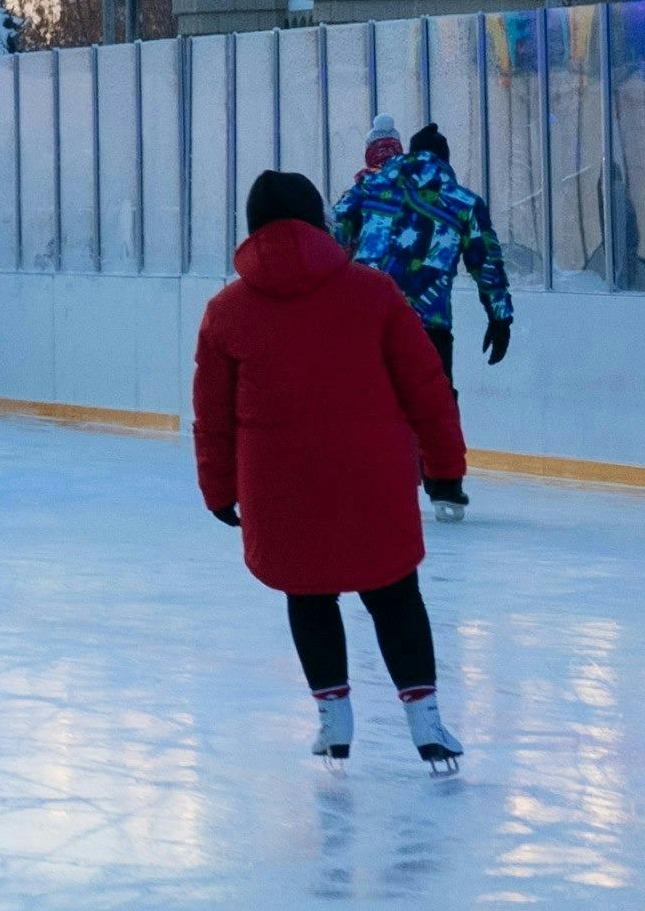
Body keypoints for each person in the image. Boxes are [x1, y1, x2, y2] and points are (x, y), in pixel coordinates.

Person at [194, 165, 466, 760]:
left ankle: (334, 722)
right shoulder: (375, 293)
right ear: (320, 219)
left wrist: (218, 488)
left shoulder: (227, 311)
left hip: (279, 487)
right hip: (373, 479)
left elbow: (211, 415)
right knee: (395, 594)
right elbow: (427, 389)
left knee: (308, 593)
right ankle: (426, 723)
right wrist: (446, 467)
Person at [337, 120, 517, 457]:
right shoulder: (463, 202)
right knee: (435, 411)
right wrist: (500, 317)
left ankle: (369, 467)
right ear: (446, 160)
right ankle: (440, 478)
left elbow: (333, 233)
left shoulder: (370, 186)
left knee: (365, 405)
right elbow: (486, 262)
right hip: (428, 327)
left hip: (366, 319)